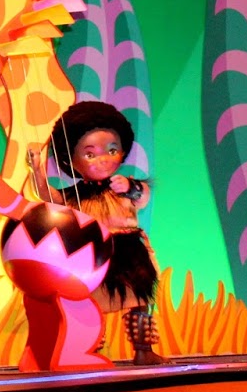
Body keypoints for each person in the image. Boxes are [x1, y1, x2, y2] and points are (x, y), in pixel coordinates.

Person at [27, 101, 165, 365]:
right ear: (70, 160)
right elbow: (48, 197)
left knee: (139, 301)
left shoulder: (123, 187)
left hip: (127, 252)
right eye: (90, 154)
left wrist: (130, 188)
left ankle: (144, 350)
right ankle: (88, 352)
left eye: (111, 150)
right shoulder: (74, 195)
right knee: (89, 305)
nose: (103, 159)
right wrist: (37, 170)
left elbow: (143, 196)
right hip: (92, 254)